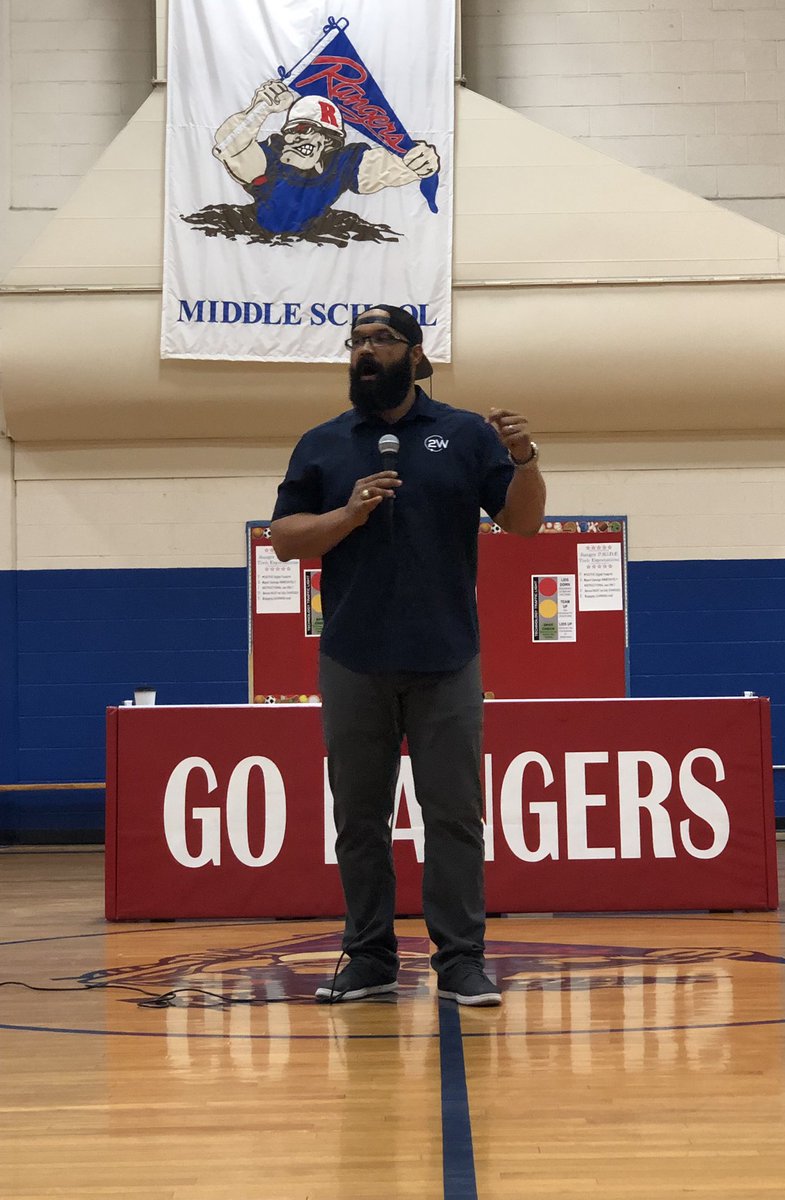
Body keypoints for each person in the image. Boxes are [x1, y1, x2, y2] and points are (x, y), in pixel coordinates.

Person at [270, 306, 546, 1006]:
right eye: (358, 341)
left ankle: (459, 960)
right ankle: (369, 957)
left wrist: (524, 459)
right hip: (353, 658)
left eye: (381, 339)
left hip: (446, 657)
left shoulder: (459, 435)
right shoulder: (323, 445)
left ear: (414, 354)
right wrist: (348, 514)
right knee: (359, 818)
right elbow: (285, 538)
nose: (366, 351)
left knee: (453, 815)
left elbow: (523, 523)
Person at [213, 83, 439, 235]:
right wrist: (259, 110)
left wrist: (415, 162)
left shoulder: (342, 162)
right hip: (252, 233)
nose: (298, 137)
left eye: (307, 129)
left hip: (314, 238)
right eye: (293, 130)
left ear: (328, 143)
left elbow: (384, 167)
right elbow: (230, 147)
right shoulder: (274, 154)